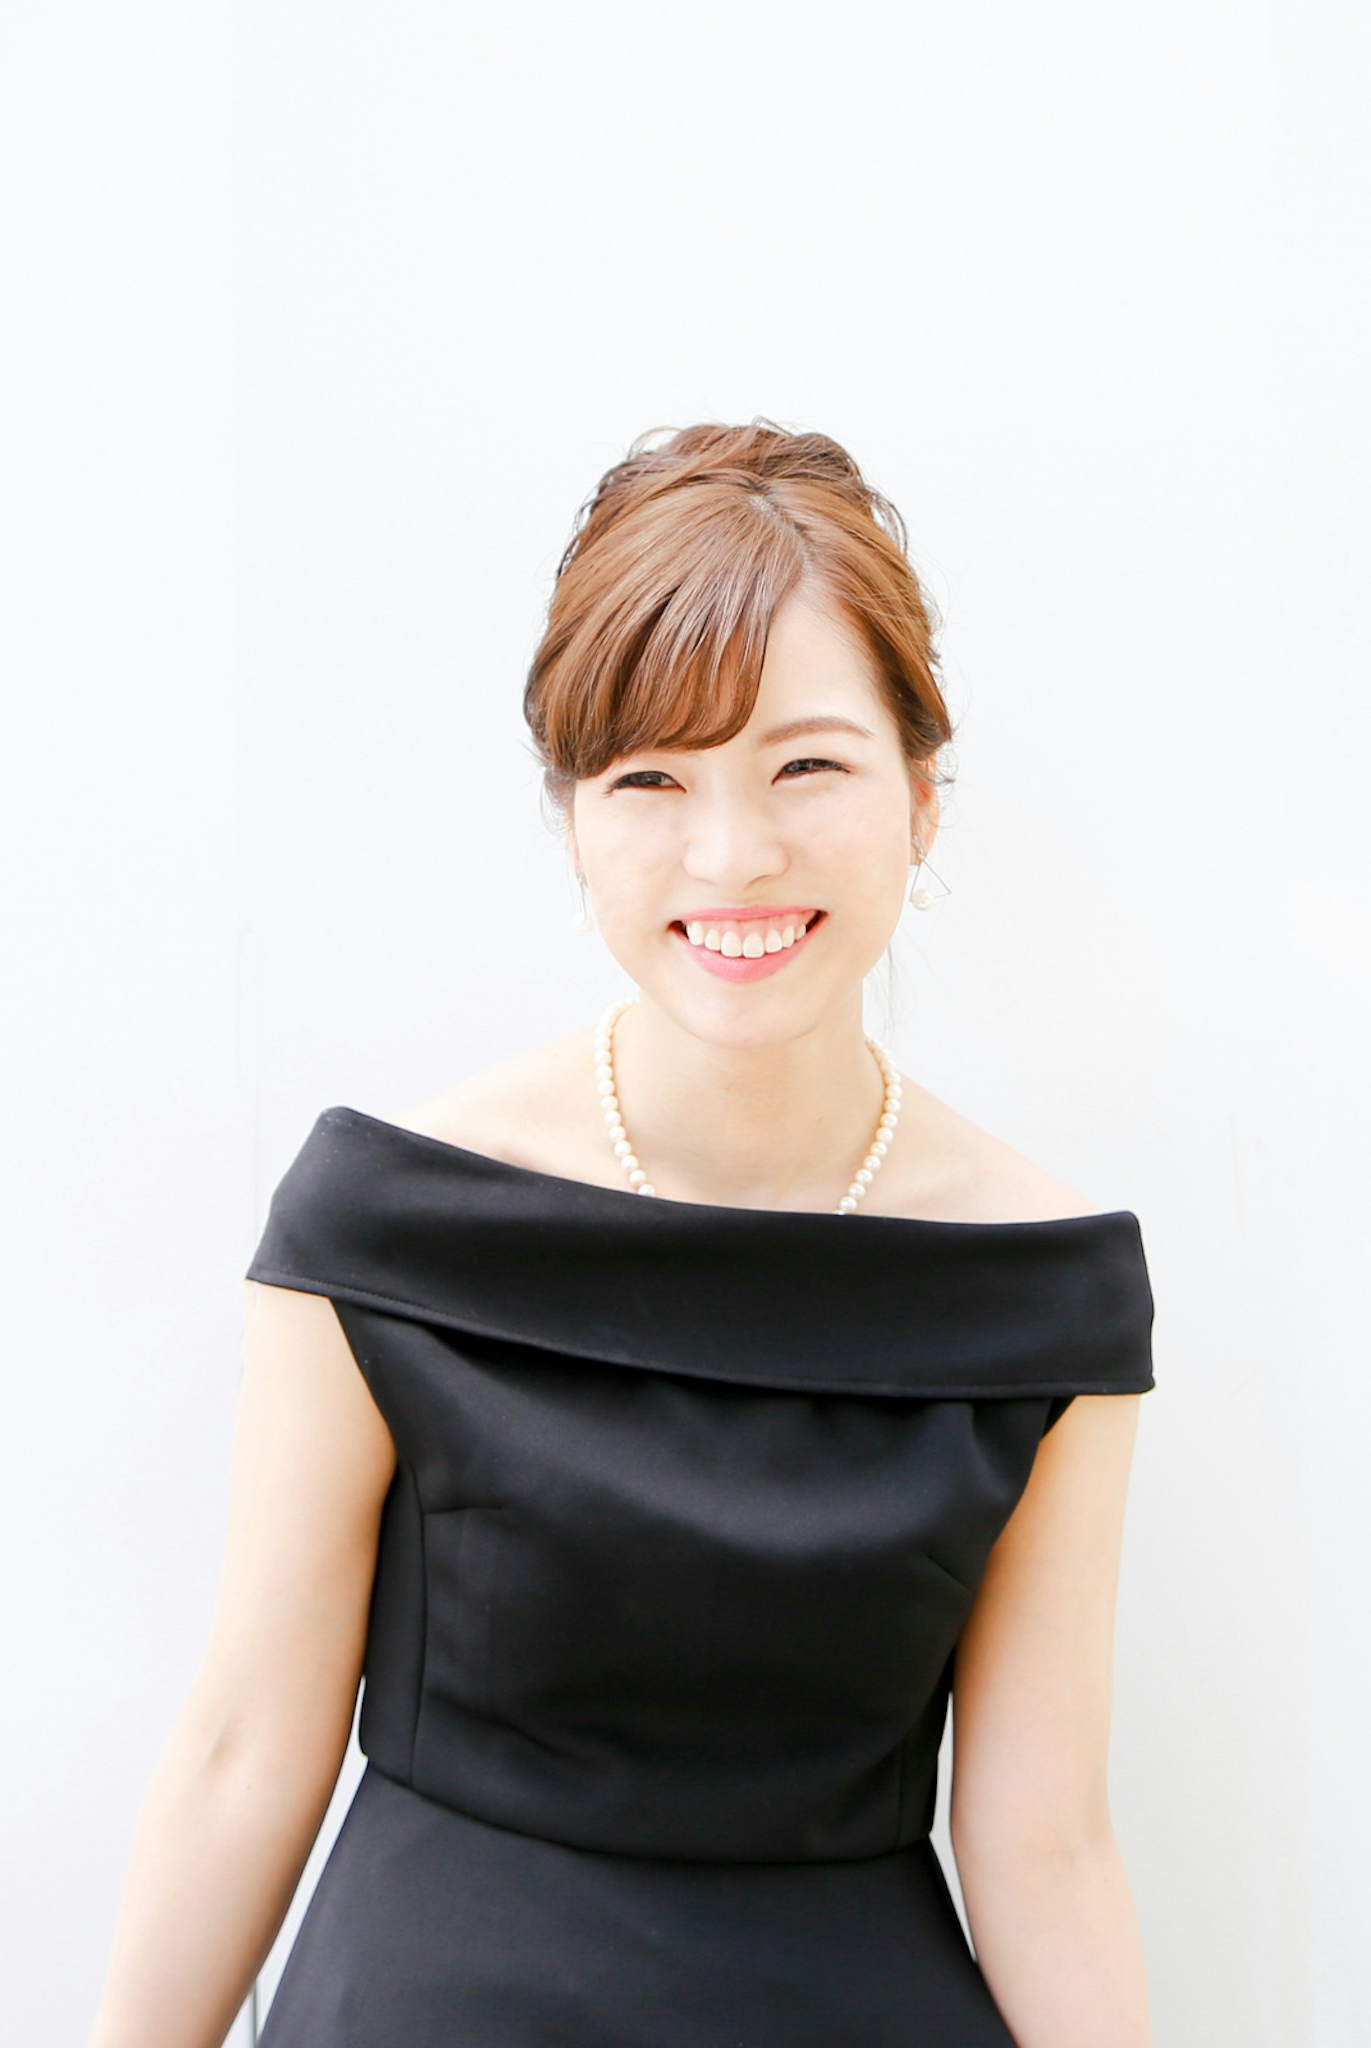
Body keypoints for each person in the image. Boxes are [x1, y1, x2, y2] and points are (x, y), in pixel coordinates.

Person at [80, 423, 1157, 2047]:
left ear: (922, 797)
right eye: (652, 780)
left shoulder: (1042, 1288)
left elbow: (1043, 1837)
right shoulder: (387, 1226)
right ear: (574, 817)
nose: (732, 856)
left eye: (808, 766)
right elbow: (246, 1747)